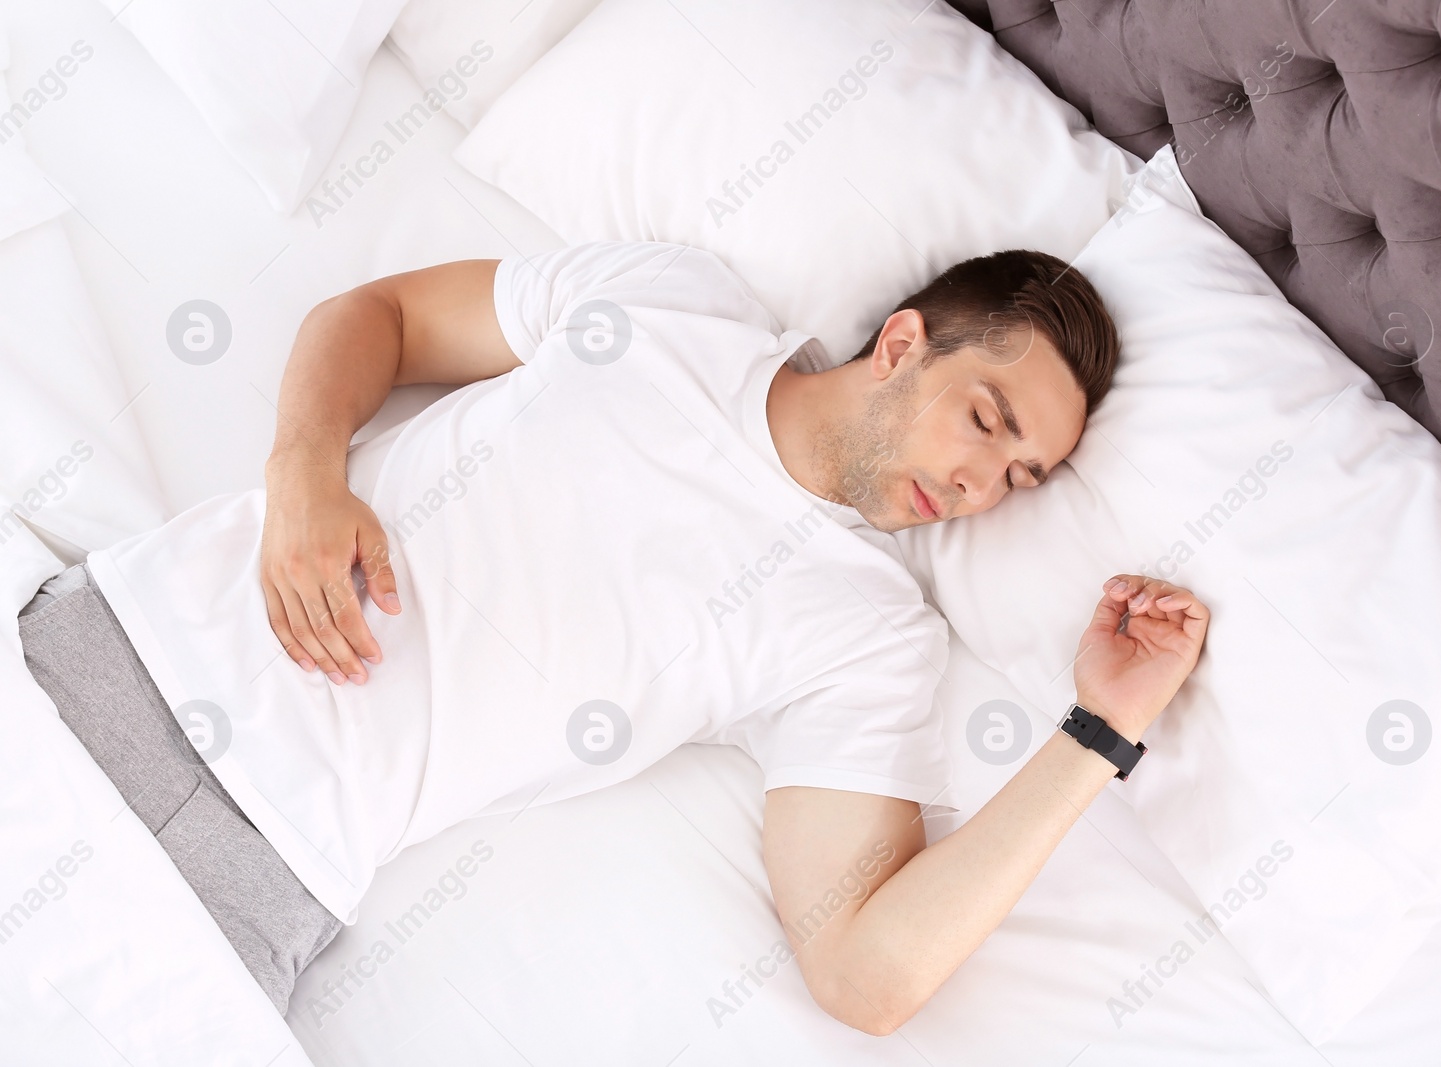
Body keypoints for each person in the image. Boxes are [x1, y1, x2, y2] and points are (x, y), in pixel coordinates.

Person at [17, 241, 1208, 1032]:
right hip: (115, 655)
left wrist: (1101, 728)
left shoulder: (870, 635)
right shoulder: (667, 302)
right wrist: (306, 474)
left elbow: (865, 973)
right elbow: (374, 315)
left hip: (264, 873)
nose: (983, 479)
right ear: (902, 343)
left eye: (1022, 473)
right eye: (985, 420)